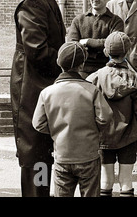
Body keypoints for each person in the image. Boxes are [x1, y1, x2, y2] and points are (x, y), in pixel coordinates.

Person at [10, 0, 68, 197]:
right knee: (35, 151)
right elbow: (37, 50)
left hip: (40, 86)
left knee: (43, 150)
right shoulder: (34, 2)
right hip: (32, 88)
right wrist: (67, 63)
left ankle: (41, 193)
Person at [32, 42, 114, 197]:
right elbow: (105, 118)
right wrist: (92, 129)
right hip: (88, 154)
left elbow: (38, 124)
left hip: (62, 155)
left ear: (58, 62)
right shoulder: (92, 90)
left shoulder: (47, 93)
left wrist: (56, 131)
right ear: (82, 65)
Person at [87, 31, 137, 197]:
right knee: (126, 180)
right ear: (127, 52)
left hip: (103, 134)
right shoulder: (136, 79)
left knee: (105, 180)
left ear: (106, 52)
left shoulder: (95, 78)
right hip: (129, 134)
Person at [67, 0, 124, 79]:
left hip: (107, 70)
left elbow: (114, 44)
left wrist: (87, 42)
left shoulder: (116, 21)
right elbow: (72, 45)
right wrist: (101, 45)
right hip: (82, 70)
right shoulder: (79, 20)